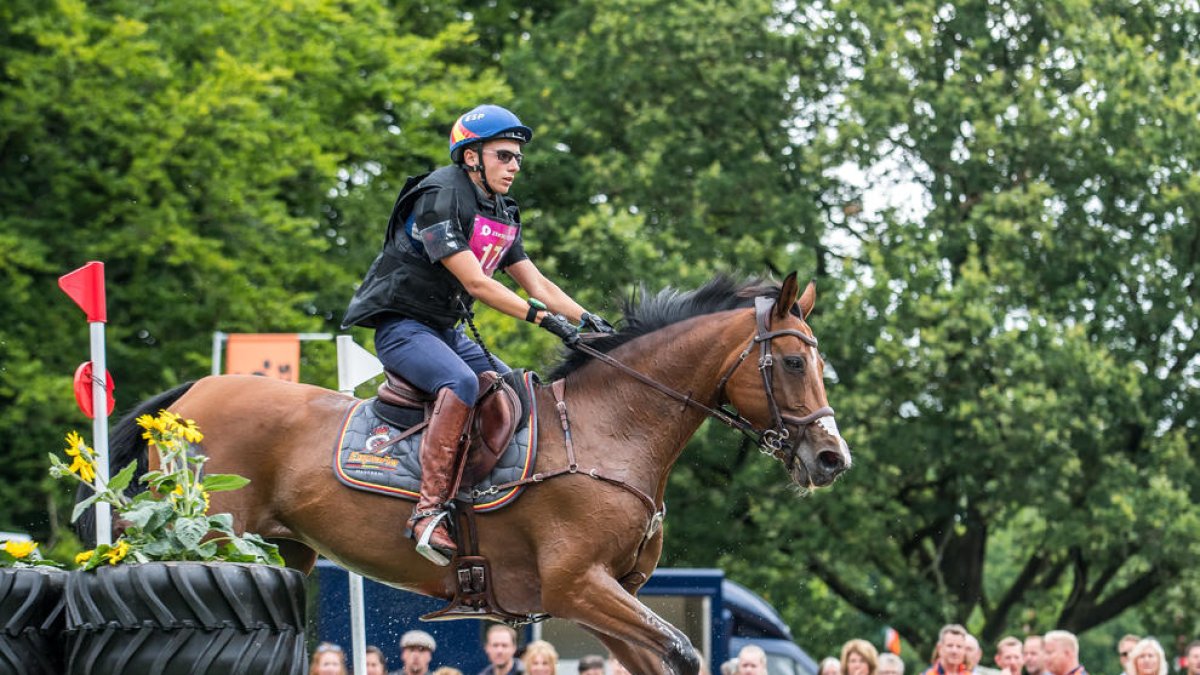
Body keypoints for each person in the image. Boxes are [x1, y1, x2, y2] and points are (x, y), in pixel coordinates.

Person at [342, 103, 615, 566]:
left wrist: (589, 320)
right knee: (462, 384)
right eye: (504, 156)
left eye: (518, 159)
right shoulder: (438, 196)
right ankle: (427, 513)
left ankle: (486, 493)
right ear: (472, 156)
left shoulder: (503, 210)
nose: (514, 167)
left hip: (443, 331)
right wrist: (545, 320)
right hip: (402, 329)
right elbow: (478, 284)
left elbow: (538, 283)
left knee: (516, 393)